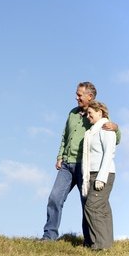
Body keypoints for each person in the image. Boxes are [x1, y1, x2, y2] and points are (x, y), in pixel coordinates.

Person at [41, 82, 120, 244]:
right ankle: (49, 236)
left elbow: (114, 138)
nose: (76, 97)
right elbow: (65, 136)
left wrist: (116, 128)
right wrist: (60, 156)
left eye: (79, 95)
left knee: (88, 204)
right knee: (54, 198)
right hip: (67, 165)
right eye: (77, 94)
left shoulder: (97, 114)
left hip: (85, 166)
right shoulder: (72, 113)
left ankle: (90, 240)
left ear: (89, 96)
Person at [82, 100, 116, 250]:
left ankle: (99, 246)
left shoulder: (105, 129)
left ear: (100, 112)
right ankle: (106, 246)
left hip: (104, 173)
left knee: (92, 207)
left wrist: (101, 177)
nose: (88, 116)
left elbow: (109, 153)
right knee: (102, 208)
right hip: (92, 174)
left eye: (90, 113)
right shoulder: (92, 132)